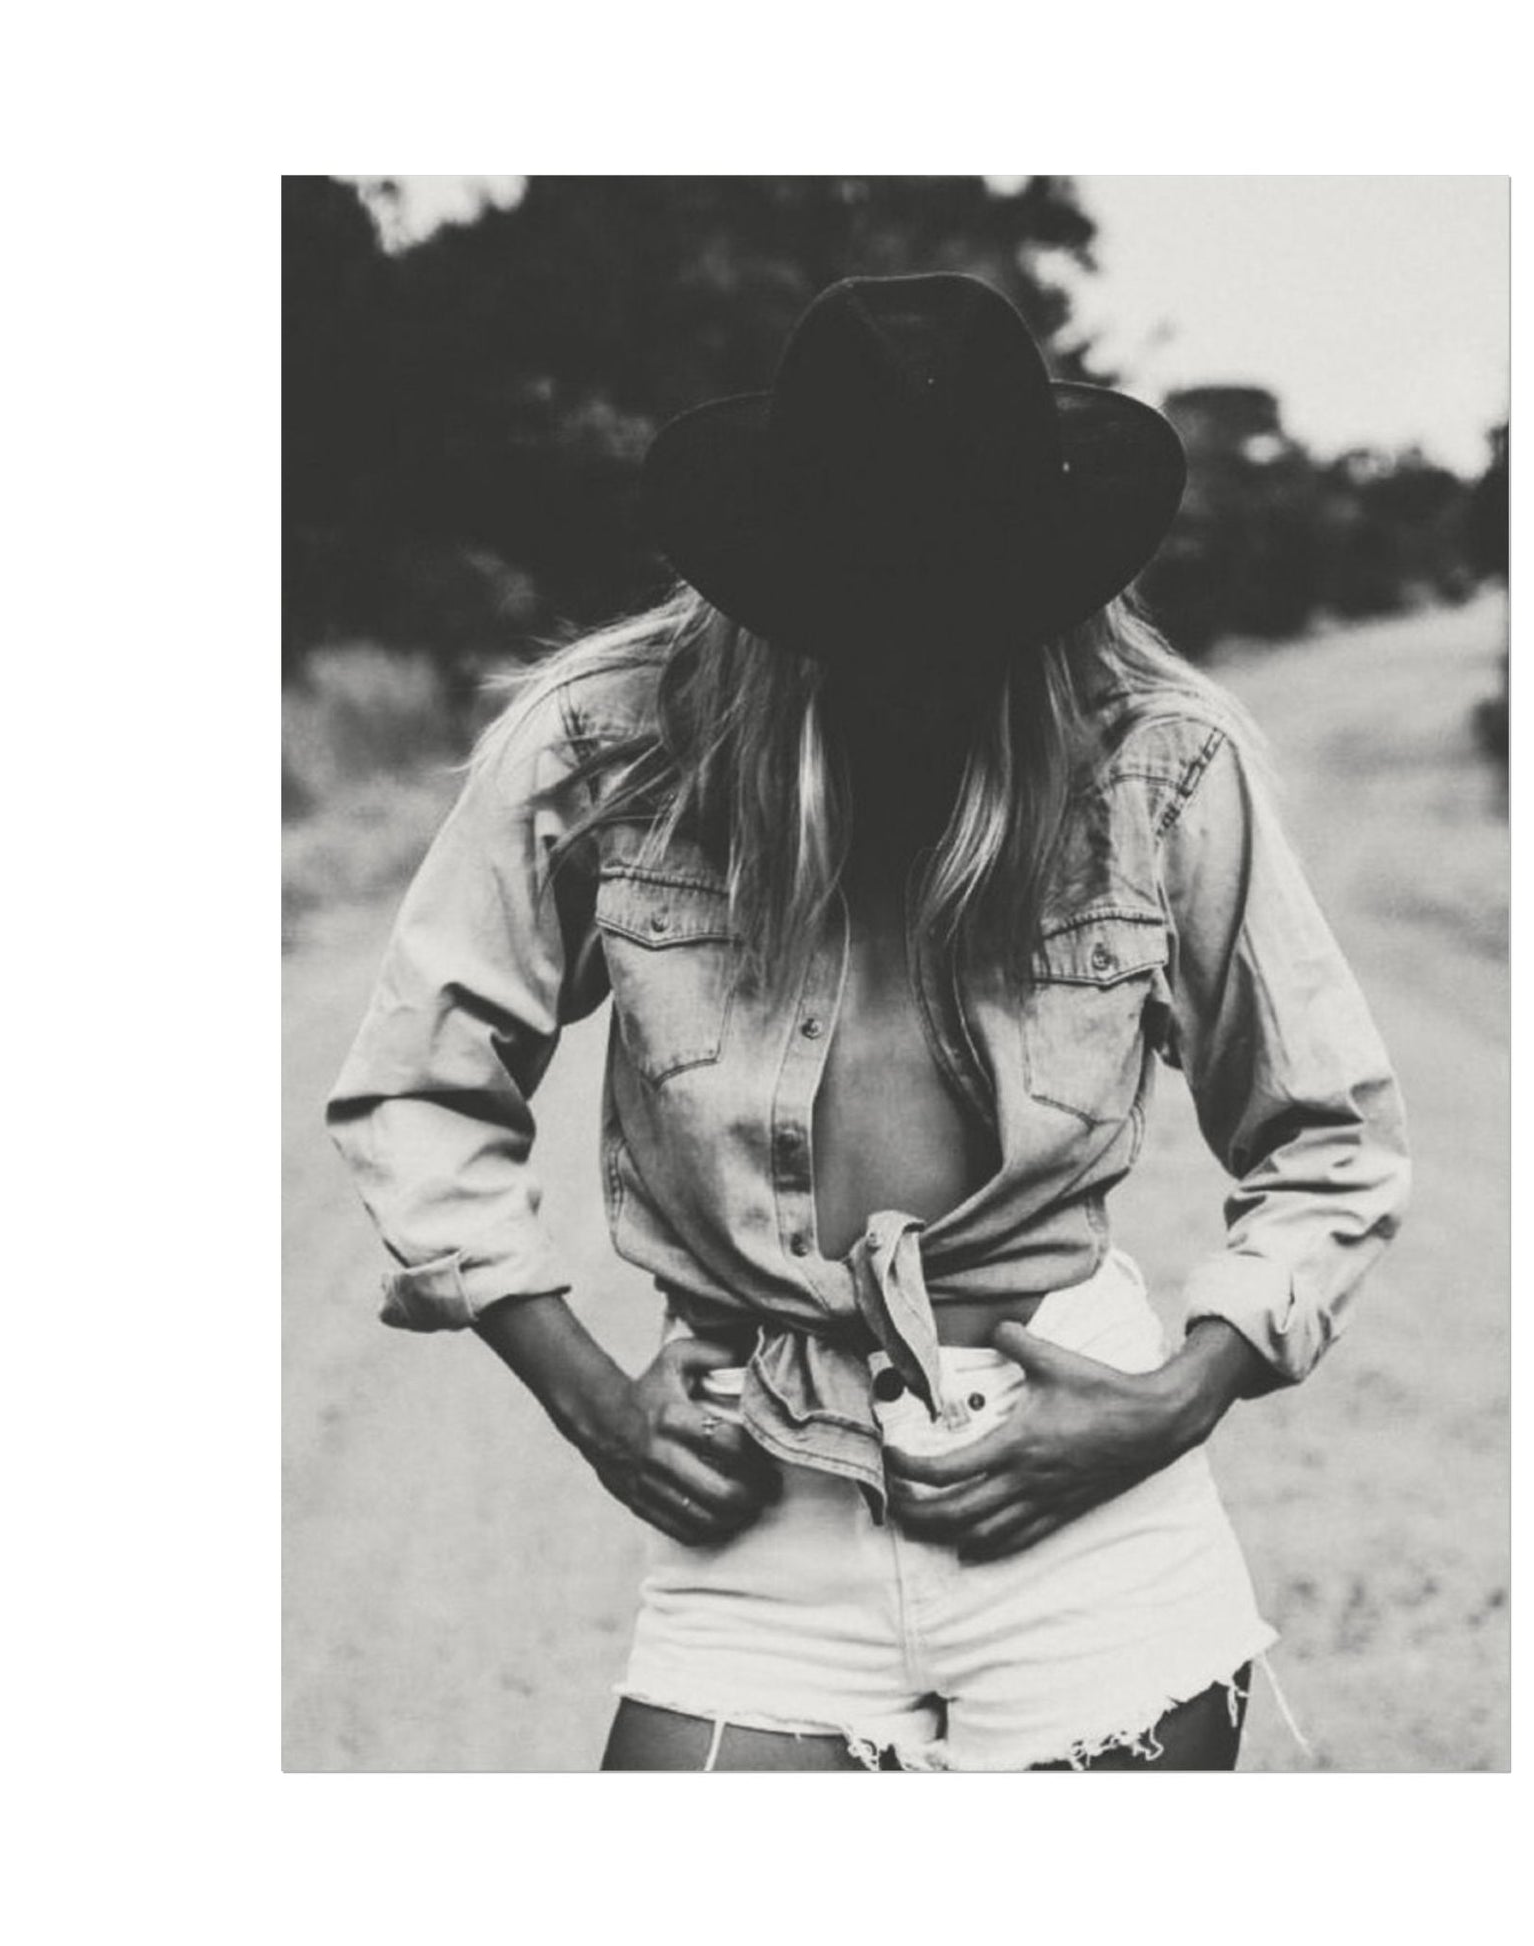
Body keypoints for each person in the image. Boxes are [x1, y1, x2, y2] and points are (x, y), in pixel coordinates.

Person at [325, 273, 1410, 1771]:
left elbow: (1329, 1137)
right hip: (757, 1482)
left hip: (1076, 1483)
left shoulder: (1154, 764)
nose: (921, 669)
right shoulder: (609, 746)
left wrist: (1175, 1399)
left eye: (972, 625)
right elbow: (420, 1086)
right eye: (866, 624)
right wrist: (592, 1402)